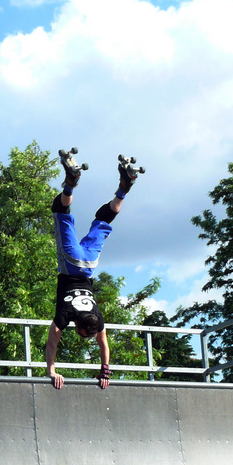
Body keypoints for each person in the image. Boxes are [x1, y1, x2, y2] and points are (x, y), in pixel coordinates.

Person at [45, 152, 141, 390]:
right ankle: (70, 184)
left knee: (104, 220)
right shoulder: (65, 316)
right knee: (61, 214)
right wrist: (52, 371)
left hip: (90, 265)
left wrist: (105, 372)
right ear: (77, 325)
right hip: (71, 264)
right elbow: (51, 343)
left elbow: (104, 345)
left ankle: (123, 188)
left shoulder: (97, 319)